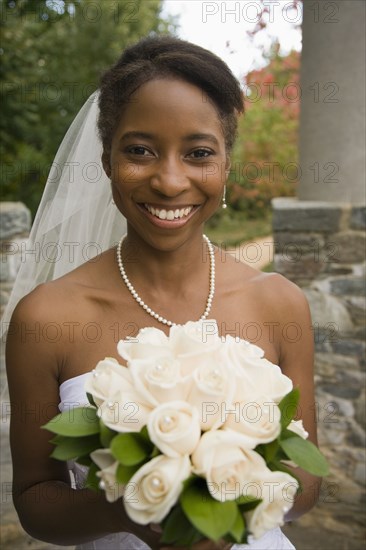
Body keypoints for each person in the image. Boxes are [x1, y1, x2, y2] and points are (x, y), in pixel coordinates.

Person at [5, 36, 320, 550]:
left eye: (198, 153)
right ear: (106, 160)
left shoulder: (280, 303)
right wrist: (135, 509)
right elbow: (36, 500)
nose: (171, 181)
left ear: (225, 162)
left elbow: (306, 481)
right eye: (140, 151)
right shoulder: (45, 318)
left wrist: (229, 507)